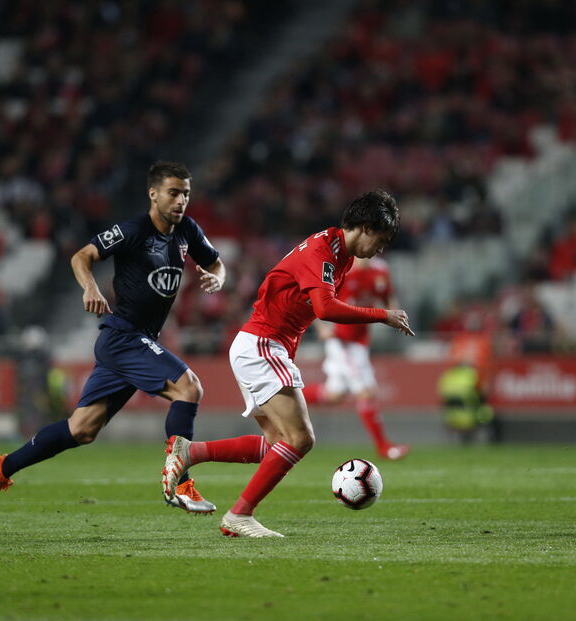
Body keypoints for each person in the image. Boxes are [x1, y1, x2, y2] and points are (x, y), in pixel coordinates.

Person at [0, 161, 227, 514]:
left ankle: (0, 468)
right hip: (123, 337)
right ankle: (180, 484)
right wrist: (91, 287)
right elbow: (82, 256)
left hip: (134, 341)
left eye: (186, 194)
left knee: (82, 430)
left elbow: (216, 262)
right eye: (173, 193)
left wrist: (218, 277)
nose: (181, 201)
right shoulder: (133, 230)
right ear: (153, 194)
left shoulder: (187, 230)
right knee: (189, 388)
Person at [162, 190, 414, 537]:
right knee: (301, 439)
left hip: (265, 345)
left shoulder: (339, 254)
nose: (379, 251)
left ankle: (191, 451)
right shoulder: (324, 251)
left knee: (276, 443)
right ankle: (239, 515)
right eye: (380, 241)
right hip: (264, 344)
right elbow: (325, 309)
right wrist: (381, 315)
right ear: (366, 227)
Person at [301, 256, 410, 460]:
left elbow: (388, 297)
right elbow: (313, 298)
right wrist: (322, 328)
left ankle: (282, 398)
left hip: (360, 341)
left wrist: (396, 316)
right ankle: (383, 447)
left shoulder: (380, 270)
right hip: (342, 340)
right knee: (366, 393)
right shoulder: (341, 269)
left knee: (335, 394)